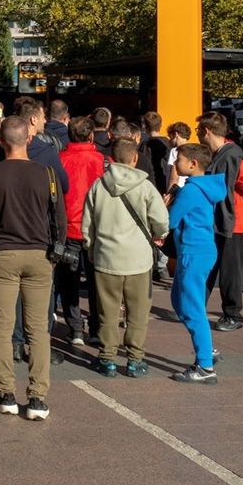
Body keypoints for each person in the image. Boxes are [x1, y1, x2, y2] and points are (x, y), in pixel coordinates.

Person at [0, 117, 63, 420]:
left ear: (0, 142)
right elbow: (59, 219)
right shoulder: (47, 173)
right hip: (39, 254)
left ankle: (6, 392)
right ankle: (37, 397)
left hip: (3, 254)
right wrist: (56, 252)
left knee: (2, 326)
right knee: (38, 329)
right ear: (29, 139)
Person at [82, 139, 169, 378]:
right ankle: (134, 359)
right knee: (138, 313)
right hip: (138, 260)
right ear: (135, 159)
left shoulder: (98, 186)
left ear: (111, 158)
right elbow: (161, 221)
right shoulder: (146, 187)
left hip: (106, 258)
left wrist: (91, 248)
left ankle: (107, 358)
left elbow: (87, 225)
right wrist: (159, 235)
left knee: (107, 312)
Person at [167, 143, 226, 384]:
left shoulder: (191, 191)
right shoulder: (202, 186)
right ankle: (207, 348)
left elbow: (169, 221)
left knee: (192, 308)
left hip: (193, 251)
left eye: (179, 159)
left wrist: (165, 204)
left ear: (193, 164)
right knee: (180, 301)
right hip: (198, 250)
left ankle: (205, 366)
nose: (175, 163)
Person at [198, 112, 243, 331]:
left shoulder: (233, 156)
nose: (197, 135)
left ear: (207, 131)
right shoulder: (219, 154)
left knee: (230, 270)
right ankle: (197, 306)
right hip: (217, 218)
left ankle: (232, 314)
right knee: (208, 265)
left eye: (199, 131)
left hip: (234, 221)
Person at [57, 116, 105, 346]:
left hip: (69, 227)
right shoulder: (101, 160)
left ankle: (75, 327)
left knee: (69, 282)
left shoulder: (60, 159)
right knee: (97, 282)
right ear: (91, 135)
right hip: (96, 228)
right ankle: (96, 328)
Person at [142, 112, 169, 193]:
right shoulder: (168, 143)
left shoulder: (144, 145)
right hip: (167, 184)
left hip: (150, 185)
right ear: (160, 125)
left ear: (145, 127)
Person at [166, 121, 192, 191]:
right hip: (189, 187)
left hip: (177, 189)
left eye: (171, 137)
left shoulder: (175, 151)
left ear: (176, 134)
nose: (170, 140)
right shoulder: (194, 150)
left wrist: (169, 192)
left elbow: (174, 177)